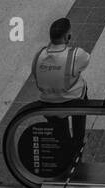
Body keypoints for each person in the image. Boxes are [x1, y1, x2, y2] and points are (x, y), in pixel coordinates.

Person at [32, 17, 90, 153]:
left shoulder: (38, 55)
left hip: (48, 103)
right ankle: (78, 141)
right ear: (67, 36)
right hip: (73, 100)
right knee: (82, 91)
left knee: (59, 132)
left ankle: (61, 143)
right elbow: (86, 60)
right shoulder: (76, 54)